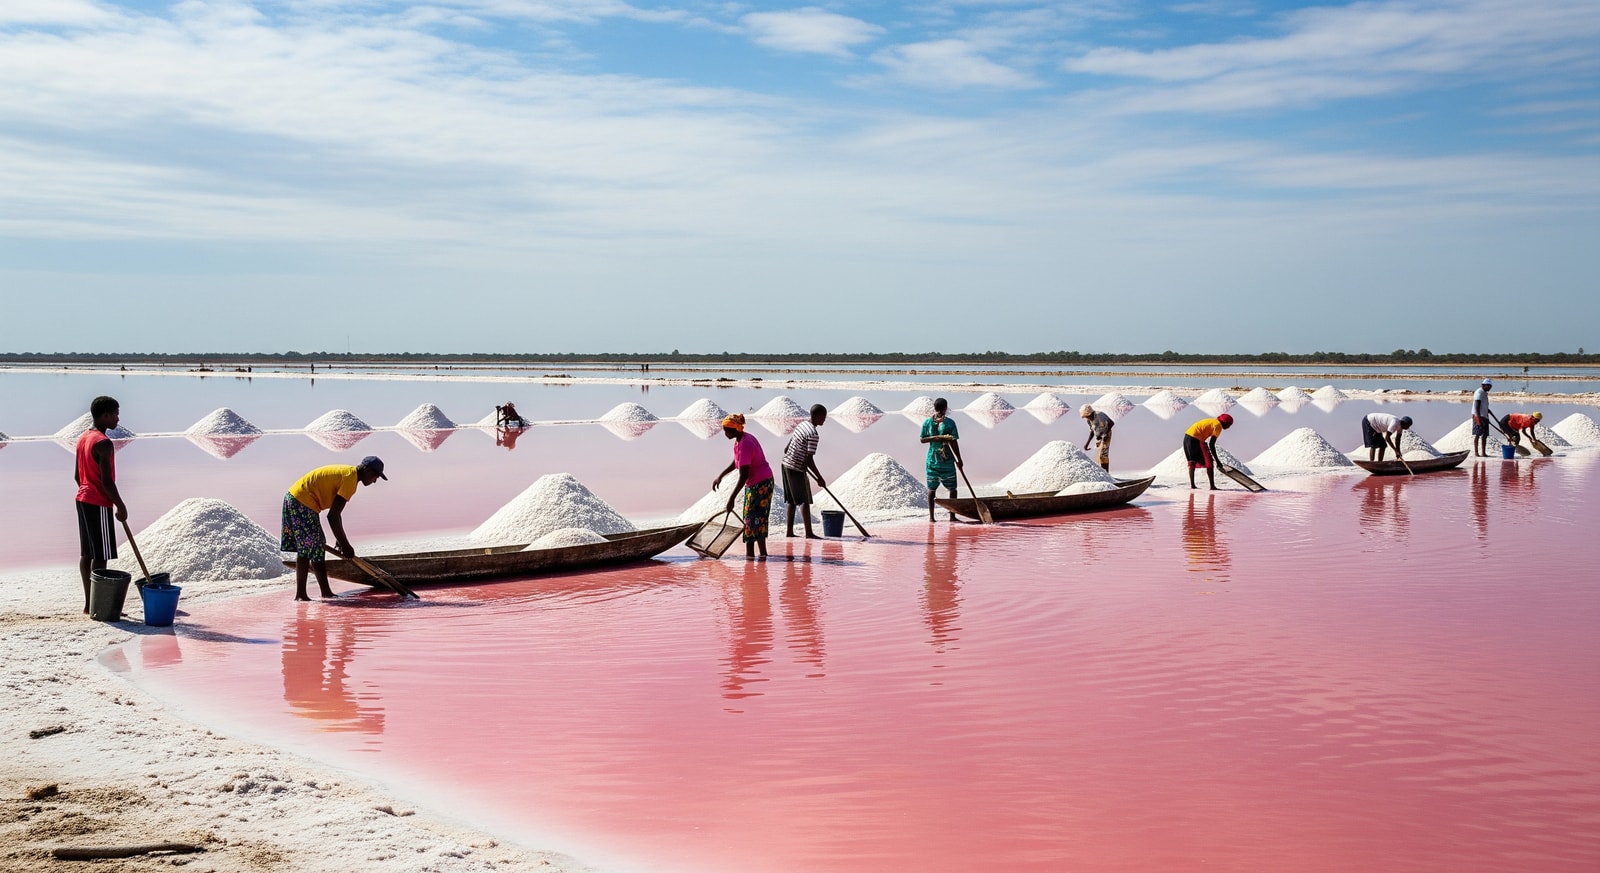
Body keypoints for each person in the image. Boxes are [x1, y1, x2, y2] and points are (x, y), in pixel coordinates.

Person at [281, 456, 388, 601]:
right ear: (368, 471)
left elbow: (336, 513)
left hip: (295, 498)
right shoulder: (350, 479)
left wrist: (340, 539)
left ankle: (323, 592)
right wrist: (345, 545)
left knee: (312, 547)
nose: (375, 480)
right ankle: (302, 595)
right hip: (302, 501)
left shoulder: (349, 475)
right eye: (376, 476)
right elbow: (332, 517)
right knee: (311, 546)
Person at [74, 396, 130, 615]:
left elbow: (77, 476)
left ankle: (90, 604)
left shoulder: (83, 438)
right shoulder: (104, 443)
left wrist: (89, 491)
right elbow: (107, 481)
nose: (118, 417)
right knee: (101, 554)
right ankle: (100, 605)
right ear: (105, 415)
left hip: (83, 499)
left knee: (87, 553)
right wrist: (119, 505)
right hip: (97, 502)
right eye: (116, 413)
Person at [712, 414, 773, 560]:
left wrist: (731, 499)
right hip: (761, 481)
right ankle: (762, 554)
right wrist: (721, 475)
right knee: (758, 519)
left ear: (736, 429)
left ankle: (750, 557)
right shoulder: (740, 440)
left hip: (760, 484)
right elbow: (736, 461)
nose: (725, 433)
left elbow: (744, 475)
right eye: (724, 430)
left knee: (751, 520)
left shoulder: (746, 443)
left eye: (727, 430)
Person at [781, 404, 828, 538]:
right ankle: (809, 533)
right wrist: (820, 478)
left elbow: (786, 448)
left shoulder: (802, 425)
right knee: (804, 500)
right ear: (818, 416)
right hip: (796, 467)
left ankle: (789, 532)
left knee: (791, 501)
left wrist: (795, 456)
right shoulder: (813, 434)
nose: (824, 420)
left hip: (785, 464)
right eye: (823, 417)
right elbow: (809, 460)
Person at [920, 398, 963, 521]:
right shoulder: (928, 423)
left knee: (951, 488)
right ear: (945, 408)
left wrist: (959, 459)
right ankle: (934, 517)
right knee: (933, 489)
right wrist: (937, 437)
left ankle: (951, 516)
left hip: (946, 460)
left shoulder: (949, 423)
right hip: (934, 460)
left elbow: (953, 440)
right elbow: (922, 439)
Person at [1183, 413, 1233, 490]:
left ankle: (1192, 485)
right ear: (1226, 423)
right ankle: (1212, 486)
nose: (1229, 427)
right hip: (1196, 439)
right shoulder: (1218, 426)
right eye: (1229, 425)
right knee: (1209, 462)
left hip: (1187, 438)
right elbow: (1211, 444)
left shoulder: (1213, 421)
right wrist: (1217, 461)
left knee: (1192, 462)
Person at [1080, 404, 1115, 471]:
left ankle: (1106, 473)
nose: (1086, 418)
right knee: (1099, 455)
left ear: (1089, 413)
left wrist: (1105, 433)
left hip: (1106, 435)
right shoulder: (1089, 420)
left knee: (1103, 454)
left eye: (1086, 416)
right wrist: (1087, 443)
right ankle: (1103, 472)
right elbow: (1092, 431)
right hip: (1099, 436)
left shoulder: (1100, 415)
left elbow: (1111, 423)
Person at [1471, 379, 1496, 457]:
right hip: (1478, 416)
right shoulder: (1479, 393)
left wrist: (1488, 413)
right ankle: (1476, 452)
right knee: (1478, 434)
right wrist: (1478, 419)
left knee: (1484, 435)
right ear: (1483, 385)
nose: (1489, 388)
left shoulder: (1485, 393)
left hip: (1484, 416)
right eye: (1488, 386)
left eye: (1490, 386)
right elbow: (1477, 407)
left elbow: (1484, 406)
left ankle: (1483, 452)